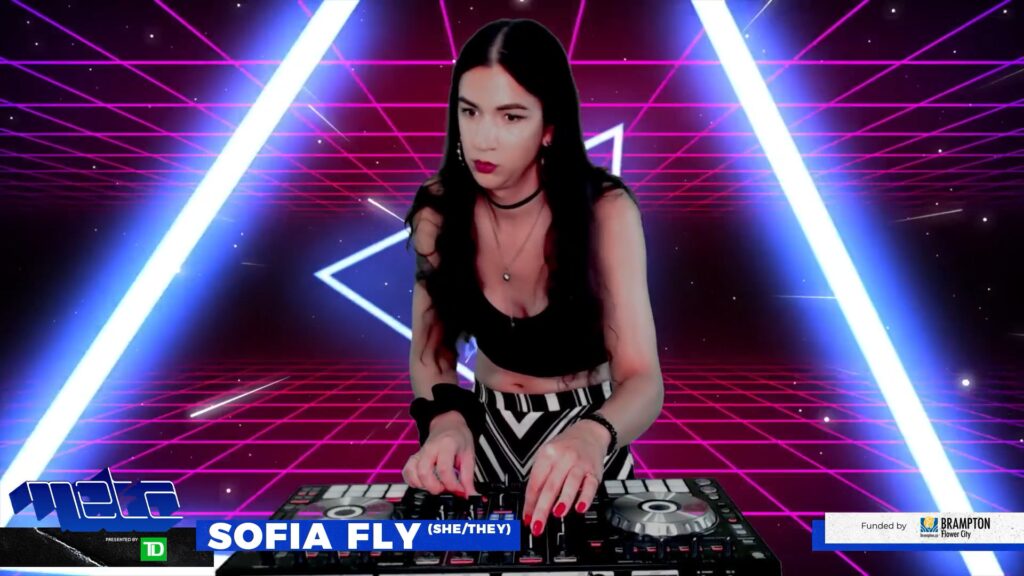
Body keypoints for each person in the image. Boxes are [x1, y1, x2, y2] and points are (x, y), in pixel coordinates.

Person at [402, 18, 663, 538]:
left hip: (588, 441)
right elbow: (431, 354)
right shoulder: (438, 209)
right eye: (470, 111)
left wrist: (593, 436)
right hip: (481, 436)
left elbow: (643, 379)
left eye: (511, 116)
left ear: (550, 127)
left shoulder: (606, 211)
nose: (483, 138)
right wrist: (446, 421)